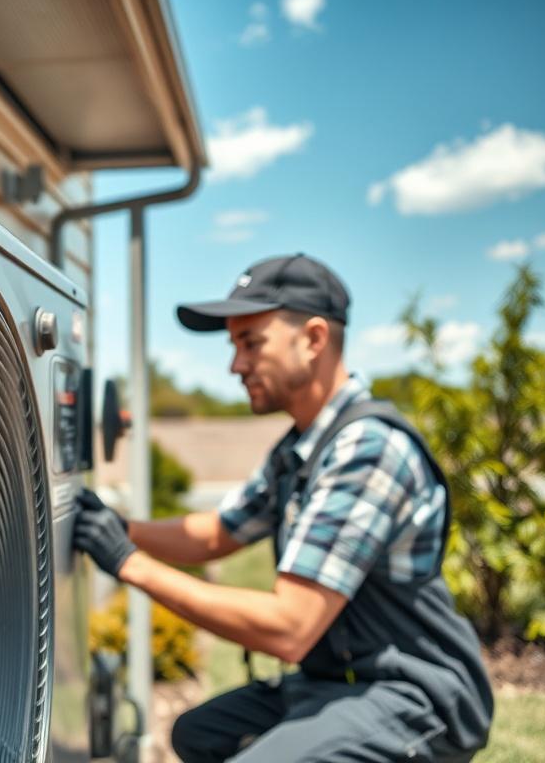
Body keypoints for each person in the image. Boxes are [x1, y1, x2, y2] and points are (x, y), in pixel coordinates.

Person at [74, 254, 493, 762]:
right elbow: (216, 533)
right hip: (336, 682)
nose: (235, 365)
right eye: (233, 346)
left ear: (313, 338)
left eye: (250, 343)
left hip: (413, 694)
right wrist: (115, 526)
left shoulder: (366, 450)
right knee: (198, 734)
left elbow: (289, 628)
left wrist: (126, 563)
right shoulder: (301, 450)